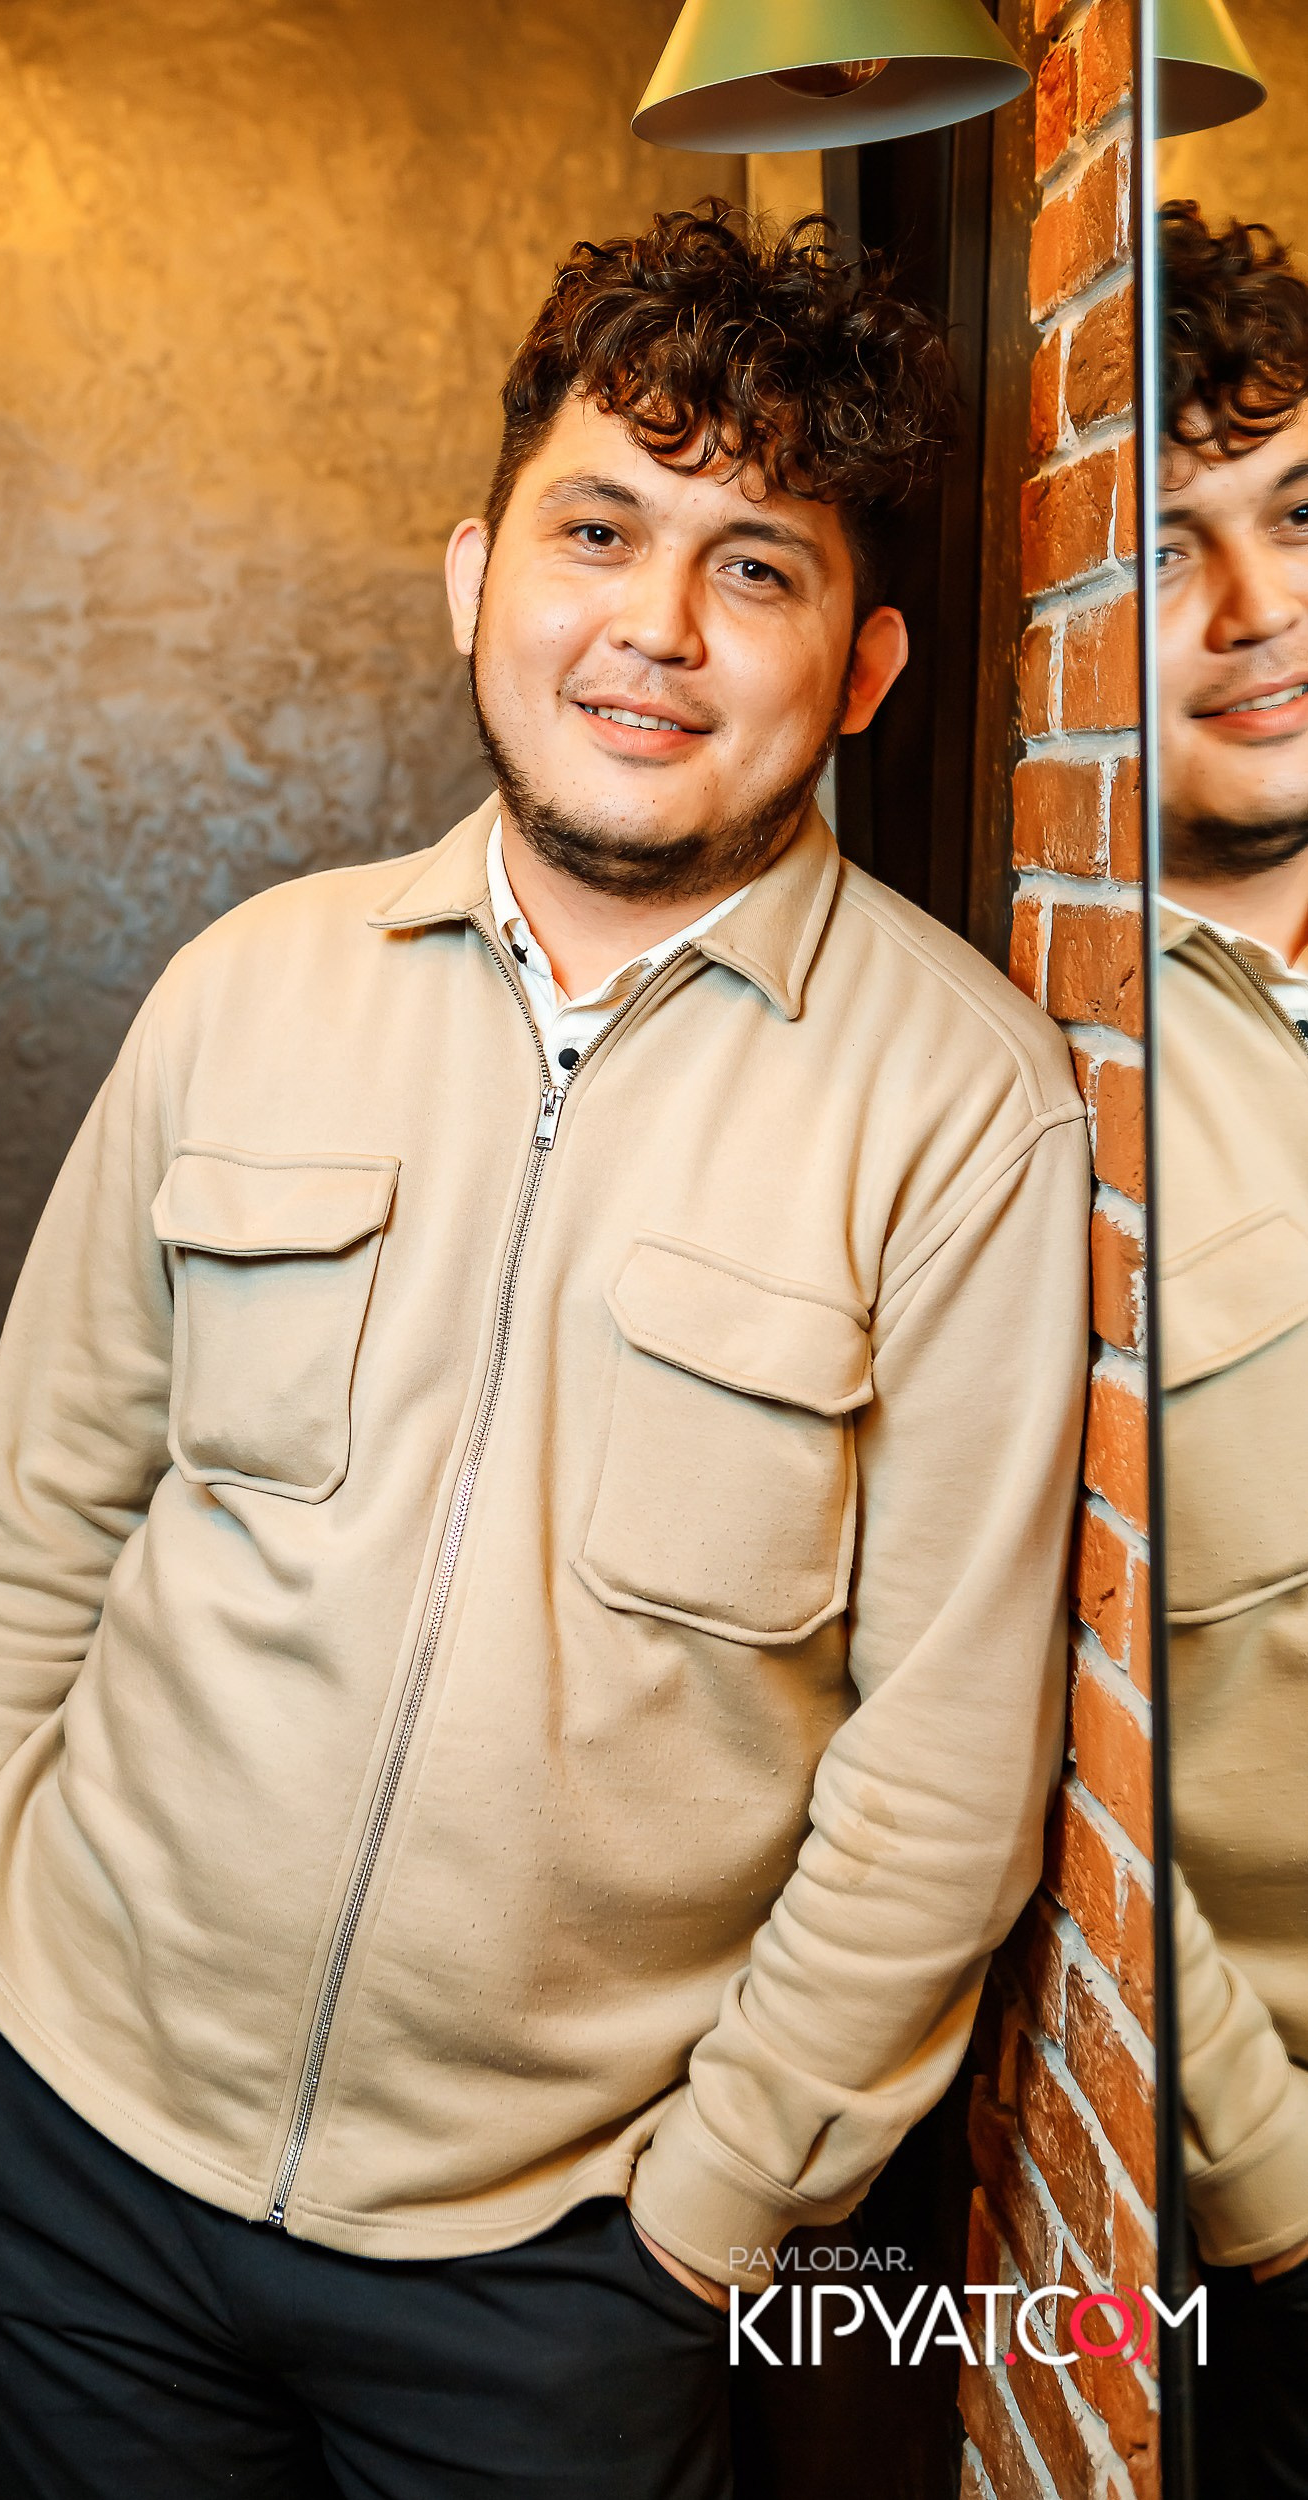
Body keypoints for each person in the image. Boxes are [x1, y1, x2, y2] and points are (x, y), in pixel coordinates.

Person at [0, 203, 1090, 2500]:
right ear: (476, 576)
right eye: (598, 529)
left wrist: (706, 2214)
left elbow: (941, 1772)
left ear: (863, 666)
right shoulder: (248, 985)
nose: (655, 624)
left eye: (756, 565)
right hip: (66, 2137)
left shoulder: (968, 1110)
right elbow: (48, 1506)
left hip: (553, 2272)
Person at [1156, 201, 1308, 2496]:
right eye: (1170, 545)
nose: (1260, 605)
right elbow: (1007, 1743)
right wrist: (1269, 2179)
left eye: (1299, 517)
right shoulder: (1007, 1080)